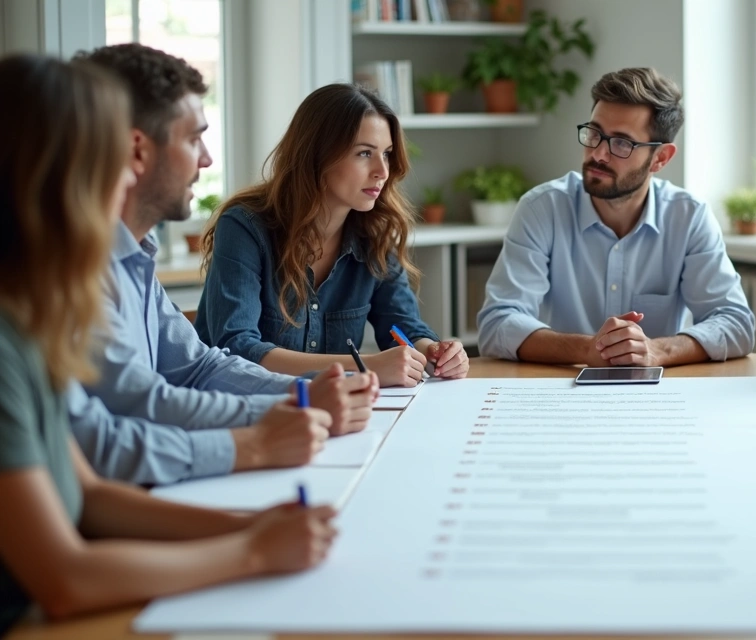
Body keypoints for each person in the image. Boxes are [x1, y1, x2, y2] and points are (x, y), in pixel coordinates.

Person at [0, 53, 336, 636]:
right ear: (53, 184)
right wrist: (251, 551)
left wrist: (252, 527)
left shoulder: (32, 322)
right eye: (112, 165)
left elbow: (92, 493)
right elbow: (64, 579)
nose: (128, 179)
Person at [69, 44, 376, 484]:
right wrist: (287, 416)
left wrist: (302, 393)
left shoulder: (133, 257)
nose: (208, 159)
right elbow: (137, 405)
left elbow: (196, 367)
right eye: (194, 139)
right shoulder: (77, 269)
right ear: (138, 151)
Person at [194, 83, 468, 387]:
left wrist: (432, 352)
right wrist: (365, 367)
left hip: (329, 414)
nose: (382, 171)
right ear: (318, 154)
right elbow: (238, 349)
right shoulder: (244, 226)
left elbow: (401, 325)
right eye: (364, 153)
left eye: (387, 154)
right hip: (242, 412)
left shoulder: (374, 233)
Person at [477, 67, 755, 366]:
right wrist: (586, 349)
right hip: (560, 390)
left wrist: (656, 351)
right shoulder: (542, 208)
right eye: (595, 134)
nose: (598, 153)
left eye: (622, 142)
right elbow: (497, 324)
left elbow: (736, 323)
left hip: (658, 396)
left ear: (660, 158)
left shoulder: (688, 216)